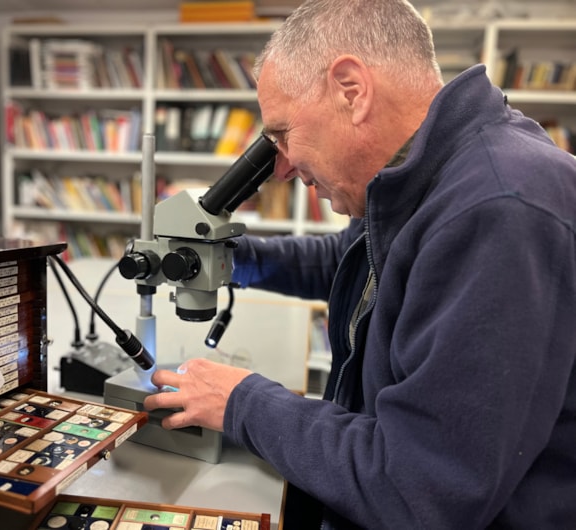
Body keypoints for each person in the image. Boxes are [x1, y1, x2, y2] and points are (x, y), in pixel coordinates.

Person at [143, 0, 576, 527]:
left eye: (281, 134)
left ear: (351, 90)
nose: (281, 167)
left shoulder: (498, 210)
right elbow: (357, 263)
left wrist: (243, 402)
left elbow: (421, 487)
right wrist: (232, 259)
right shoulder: (422, 176)